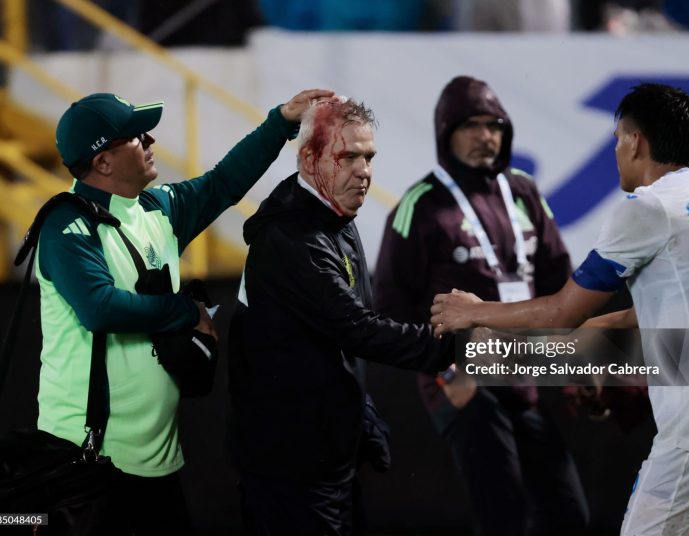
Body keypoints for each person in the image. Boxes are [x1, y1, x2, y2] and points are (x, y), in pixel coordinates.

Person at [432, 82, 689, 535]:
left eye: (618, 138)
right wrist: (504, 352)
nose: (617, 150)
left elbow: (563, 311)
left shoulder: (650, 207)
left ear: (636, 141)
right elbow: (632, 319)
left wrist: (476, 311)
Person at [38, 88, 331, 533]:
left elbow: (222, 184)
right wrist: (184, 311)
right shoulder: (65, 225)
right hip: (86, 462)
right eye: (137, 137)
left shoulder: (156, 209)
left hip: (154, 459)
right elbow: (98, 307)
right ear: (103, 162)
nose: (150, 140)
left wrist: (281, 122)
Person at [227, 96, 454, 535]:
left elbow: (329, 334)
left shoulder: (333, 218)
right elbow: (356, 329)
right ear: (310, 159)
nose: (364, 171)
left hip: (322, 459)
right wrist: (452, 345)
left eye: (368, 157)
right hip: (288, 470)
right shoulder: (293, 239)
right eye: (348, 156)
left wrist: (356, 409)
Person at [373, 75, 588, 536]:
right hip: (465, 380)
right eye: (470, 125)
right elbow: (390, 306)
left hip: (528, 375)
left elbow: (559, 281)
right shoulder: (420, 204)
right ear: (445, 132)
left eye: (493, 125)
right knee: (504, 518)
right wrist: (446, 371)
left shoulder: (525, 191)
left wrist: (572, 368)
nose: (484, 135)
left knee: (569, 514)